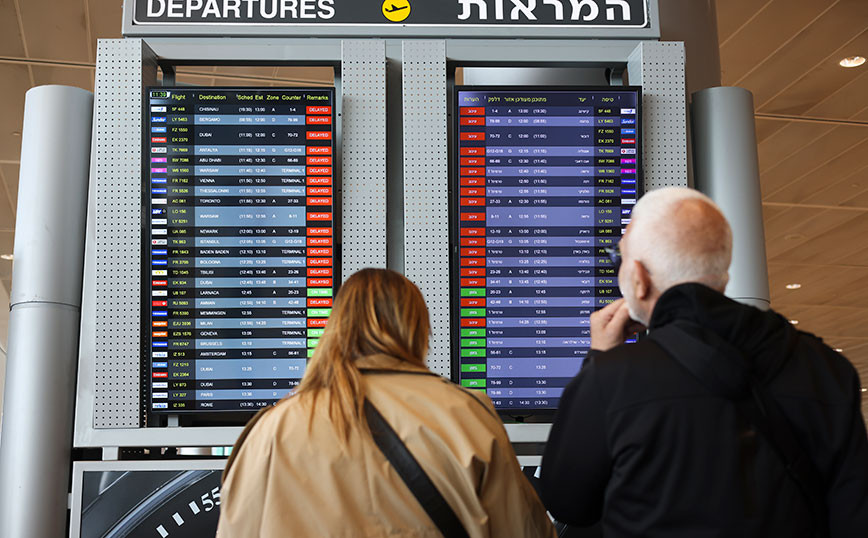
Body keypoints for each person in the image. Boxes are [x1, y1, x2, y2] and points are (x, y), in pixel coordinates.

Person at [541, 187, 868, 537]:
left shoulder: (611, 378)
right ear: (721, 271)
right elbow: (855, 515)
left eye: (617, 257)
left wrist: (598, 360)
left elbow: (569, 503)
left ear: (639, 277)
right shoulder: (826, 368)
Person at [218, 268, 555, 537]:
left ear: (335, 328)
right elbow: (522, 528)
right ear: (418, 329)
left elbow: (238, 528)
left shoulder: (274, 428)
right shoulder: (466, 414)